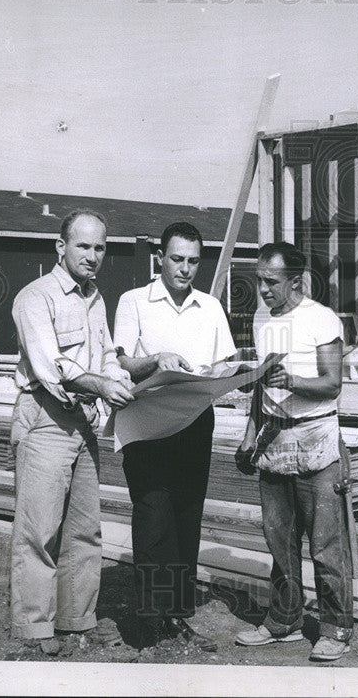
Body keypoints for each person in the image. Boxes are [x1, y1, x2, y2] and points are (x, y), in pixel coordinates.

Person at [9, 208, 134, 655]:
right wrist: (102, 385)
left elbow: (106, 355)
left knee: (85, 529)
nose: (93, 255)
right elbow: (50, 367)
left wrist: (114, 379)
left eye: (100, 247)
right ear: (61, 248)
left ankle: (77, 619)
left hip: (82, 422)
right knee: (40, 529)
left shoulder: (96, 299)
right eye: (83, 245)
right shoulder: (35, 297)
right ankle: (35, 627)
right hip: (44, 417)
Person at [113, 221, 235, 650]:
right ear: (159, 258)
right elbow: (121, 363)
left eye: (193, 261)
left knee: (186, 518)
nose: (185, 269)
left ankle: (178, 615)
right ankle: (149, 618)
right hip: (146, 427)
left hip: (195, 422)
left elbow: (225, 362)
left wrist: (230, 373)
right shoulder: (134, 302)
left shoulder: (211, 307)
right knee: (153, 517)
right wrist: (156, 360)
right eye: (177, 259)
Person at [235, 241, 354, 662]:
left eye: (271, 282)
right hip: (274, 441)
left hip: (316, 440)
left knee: (325, 544)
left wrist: (293, 382)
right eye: (259, 280)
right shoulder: (261, 317)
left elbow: (332, 384)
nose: (263, 290)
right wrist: (250, 434)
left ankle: (335, 627)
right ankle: (283, 620)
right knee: (279, 540)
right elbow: (263, 385)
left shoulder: (321, 319)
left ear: (296, 280)